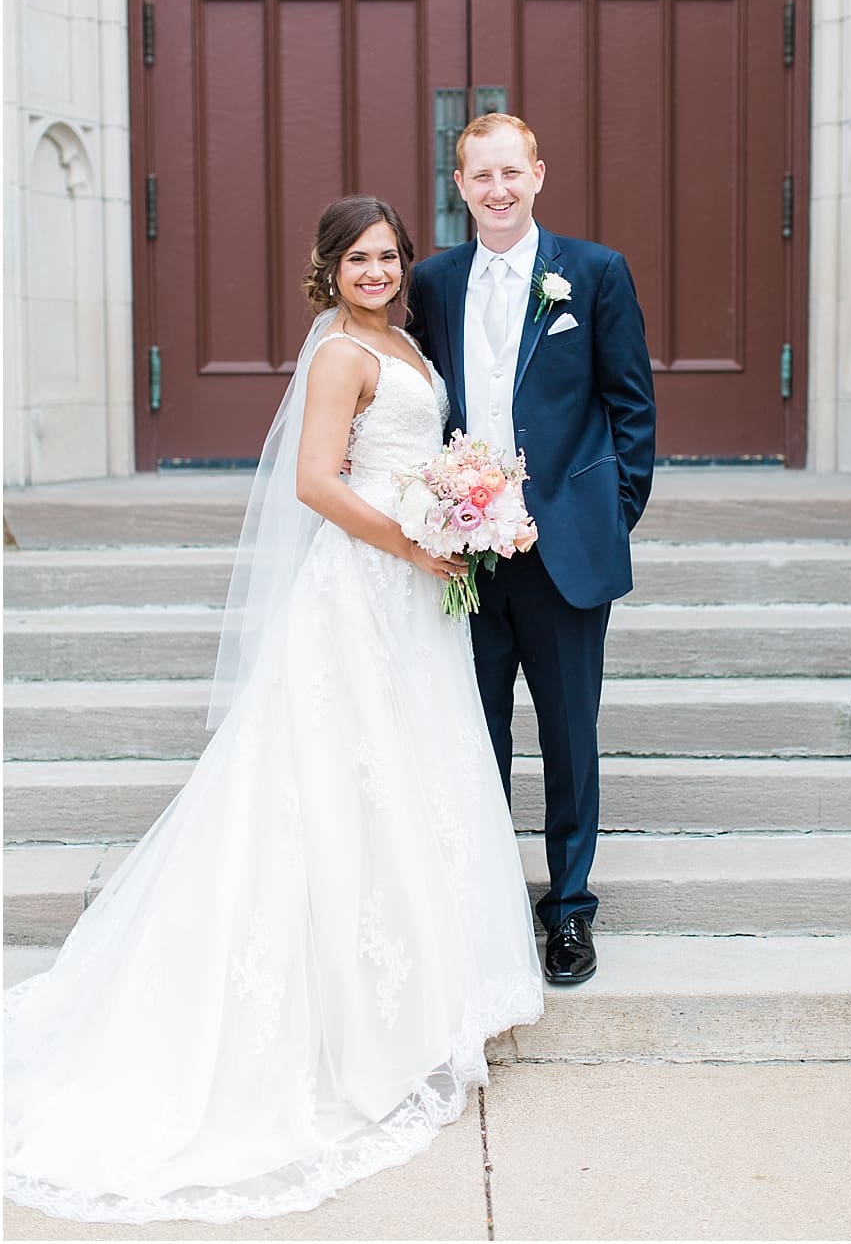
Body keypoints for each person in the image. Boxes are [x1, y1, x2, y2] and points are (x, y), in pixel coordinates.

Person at [4, 196, 543, 1223]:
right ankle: (356, 1013)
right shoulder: (344, 351)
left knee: (410, 773)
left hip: (416, 588)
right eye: (359, 259)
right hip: (368, 581)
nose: (377, 271)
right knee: (341, 777)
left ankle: (424, 992)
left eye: (389, 255)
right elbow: (313, 482)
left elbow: (410, 460)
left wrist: (462, 504)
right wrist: (417, 539)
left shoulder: (403, 339)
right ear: (329, 268)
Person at [404, 113, 657, 986]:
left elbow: (632, 409)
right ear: (461, 185)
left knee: (567, 737)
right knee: (471, 738)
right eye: (481, 177)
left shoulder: (592, 274)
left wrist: (608, 514)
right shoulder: (433, 283)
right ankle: (481, 908)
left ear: (538, 174)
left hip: (562, 551)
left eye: (511, 173)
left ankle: (570, 912)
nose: (498, 191)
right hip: (465, 555)